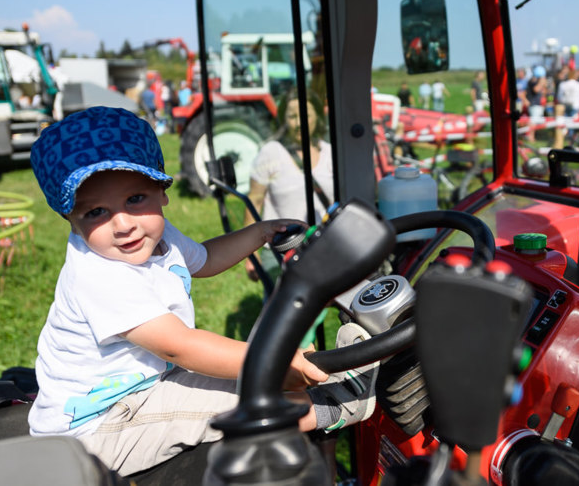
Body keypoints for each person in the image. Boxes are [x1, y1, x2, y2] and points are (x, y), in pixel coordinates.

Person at [27, 106, 378, 476]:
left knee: (238, 381)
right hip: (97, 430)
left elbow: (206, 259)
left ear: (161, 191)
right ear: (70, 219)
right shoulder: (98, 276)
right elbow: (180, 346)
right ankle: (335, 404)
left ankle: (317, 385)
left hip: (143, 390)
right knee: (234, 405)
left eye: (134, 200)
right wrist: (273, 361)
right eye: (96, 212)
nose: (123, 224)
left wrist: (259, 233)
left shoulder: (156, 236)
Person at [244, 93, 333, 282]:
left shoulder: (331, 154)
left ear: (317, 116)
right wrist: (251, 254)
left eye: (305, 115)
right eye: (292, 117)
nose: (299, 123)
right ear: (284, 119)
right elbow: (255, 200)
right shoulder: (271, 153)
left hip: (323, 248)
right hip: (280, 252)